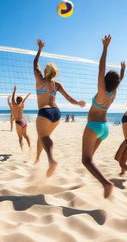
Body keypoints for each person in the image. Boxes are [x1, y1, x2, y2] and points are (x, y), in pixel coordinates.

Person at [34, 39, 86, 177]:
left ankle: (51, 161)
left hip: (44, 111)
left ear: (46, 71)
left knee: (43, 136)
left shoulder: (40, 79)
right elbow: (69, 98)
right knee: (44, 137)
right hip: (56, 114)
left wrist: (39, 49)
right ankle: (38, 158)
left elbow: (35, 65)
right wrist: (78, 103)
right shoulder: (57, 84)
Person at [82, 35, 125, 198]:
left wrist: (105, 47)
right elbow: (119, 81)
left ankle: (106, 184)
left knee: (85, 160)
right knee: (90, 158)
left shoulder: (101, 92)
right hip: (104, 128)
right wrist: (122, 71)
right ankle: (98, 181)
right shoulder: (113, 93)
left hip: (93, 127)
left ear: (106, 80)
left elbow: (101, 68)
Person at [11, 86, 31, 150]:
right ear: (21, 101)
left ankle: (22, 149)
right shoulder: (22, 105)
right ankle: (29, 147)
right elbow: (24, 99)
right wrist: (27, 95)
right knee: (25, 135)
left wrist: (14, 91)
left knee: (20, 137)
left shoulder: (14, 105)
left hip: (18, 122)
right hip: (24, 122)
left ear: (16, 100)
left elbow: (12, 98)